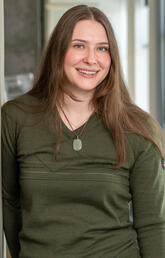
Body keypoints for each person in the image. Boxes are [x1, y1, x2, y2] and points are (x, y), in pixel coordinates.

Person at [2, 4, 165, 258]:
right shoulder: (16, 117)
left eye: (102, 48)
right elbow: (9, 203)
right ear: (58, 51)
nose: (92, 58)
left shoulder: (138, 128)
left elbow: (154, 225)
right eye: (79, 45)